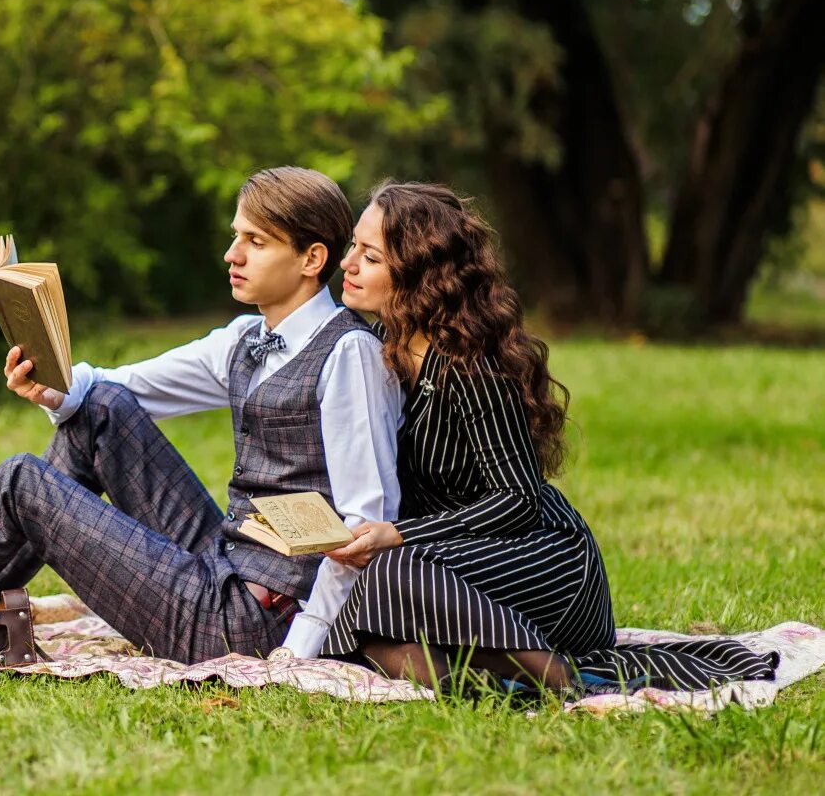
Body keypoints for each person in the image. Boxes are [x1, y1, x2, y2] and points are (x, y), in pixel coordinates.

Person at [0, 166, 403, 663]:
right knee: (100, 408)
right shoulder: (244, 339)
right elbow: (121, 386)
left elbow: (363, 528)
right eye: (236, 235)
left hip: (251, 622)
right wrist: (51, 385)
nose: (231, 254)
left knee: (23, 482)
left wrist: (300, 650)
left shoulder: (348, 354)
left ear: (311, 259)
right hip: (223, 561)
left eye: (255, 242)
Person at [321, 181, 778, 692]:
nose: (348, 263)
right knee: (362, 629)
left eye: (370, 256)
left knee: (393, 572)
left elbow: (517, 502)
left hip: (542, 564)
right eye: (354, 248)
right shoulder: (381, 347)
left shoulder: (473, 368)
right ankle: (486, 691)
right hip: (448, 574)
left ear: (420, 275)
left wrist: (401, 534)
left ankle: (562, 678)